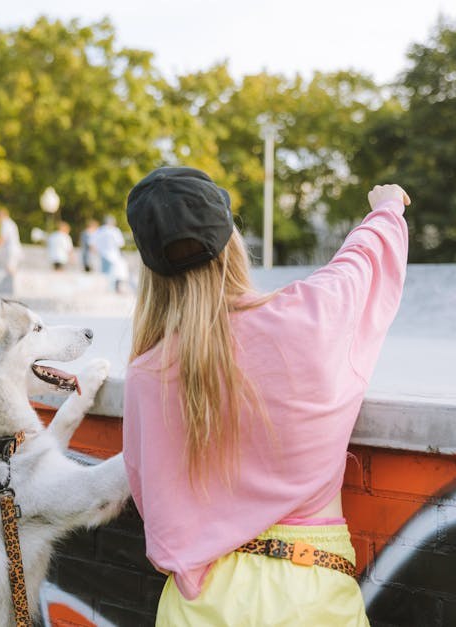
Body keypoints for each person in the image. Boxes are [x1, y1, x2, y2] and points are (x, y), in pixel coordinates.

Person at [122, 167, 410, 626]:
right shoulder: (308, 318)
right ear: (231, 239)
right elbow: (361, 264)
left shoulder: (145, 374)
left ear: (150, 268)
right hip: (310, 590)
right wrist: (386, 209)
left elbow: (150, 503)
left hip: (198, 603)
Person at [90, 215, 127, 291]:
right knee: (118, 272)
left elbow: (92, 243)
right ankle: (115, 288)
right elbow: (120, 243)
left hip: (102, 254)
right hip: (114, 255)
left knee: (105, 274)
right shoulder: (115, 230)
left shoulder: (100, 230)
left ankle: (107, 289)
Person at [0, 207, 22, 294]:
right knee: (11, 270)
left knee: (10, 270)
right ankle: (11, 290)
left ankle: (11, 291)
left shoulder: (6, 224)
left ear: (1, 216)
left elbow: (2, 238)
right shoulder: (10, 223)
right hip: (15, 250)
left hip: (12, 251)